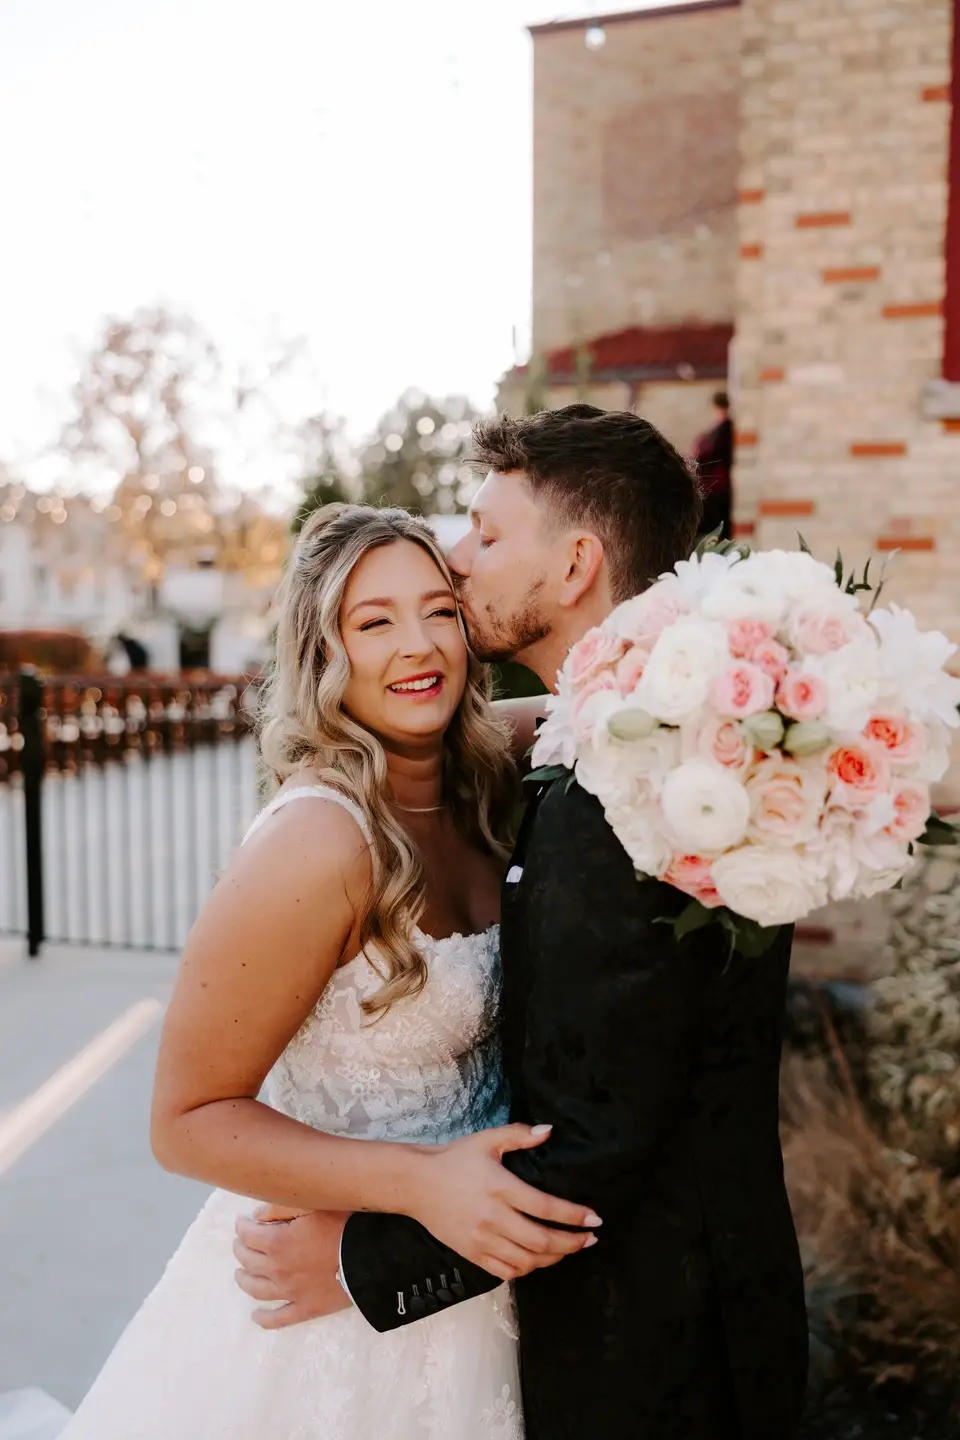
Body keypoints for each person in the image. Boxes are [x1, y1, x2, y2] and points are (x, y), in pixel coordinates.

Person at [241, 406, 809, 1440]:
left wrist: (358, 1260)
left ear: (577, 561)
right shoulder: (673, 751)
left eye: (488, 536)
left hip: (652, 1351)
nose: (461, 567)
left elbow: (600, 1138)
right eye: (373, 620)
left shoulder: (631, 797)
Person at [58, 504, 598, 1440]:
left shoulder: (481, 780)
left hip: (467, 1292)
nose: (417, 645)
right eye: (374, 621)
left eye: (438, 610)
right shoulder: (317, 841)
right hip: (327, 1318)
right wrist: (419, 1186)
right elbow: (185, 1123)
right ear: (324, 650)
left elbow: (609, 710)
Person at [694, 389, 734, 539]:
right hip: (712, 482)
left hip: (716, 483)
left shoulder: (725, 427)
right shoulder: (718, 428)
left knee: (717, 525)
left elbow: (711, 452)